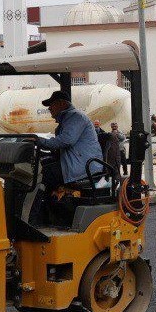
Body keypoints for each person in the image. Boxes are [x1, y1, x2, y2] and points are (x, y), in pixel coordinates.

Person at [28, 90, 103, 224]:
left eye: (52, 104)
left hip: (83, 167)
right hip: (78, 163)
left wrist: (40, 141)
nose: (49, 108)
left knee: (40, 175)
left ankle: (33, 219)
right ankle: (48, 213)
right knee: (41, 167)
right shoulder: (66, 121)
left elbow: (66, 140)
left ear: (62, 104)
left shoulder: (75, 117)